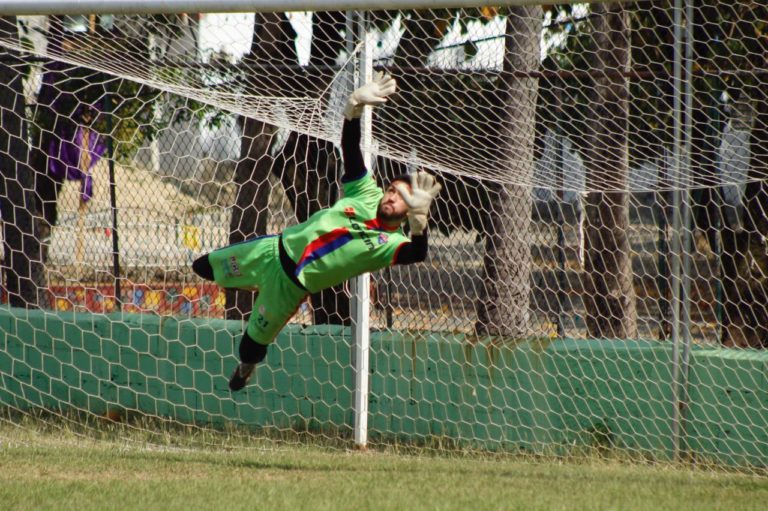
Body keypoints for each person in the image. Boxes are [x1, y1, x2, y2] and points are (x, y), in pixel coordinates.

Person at [192, 73, 442, 391]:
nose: (392, 196)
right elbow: (350, 148)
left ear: (409, 211)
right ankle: (249, 282)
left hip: (288, 288)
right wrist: (353, 107)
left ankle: (245, 368)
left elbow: (417, 253)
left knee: (252, 346)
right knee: (202, 266)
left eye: (403, 198)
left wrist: (421, 222)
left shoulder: (389, 243)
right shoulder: (365, 193)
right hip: (269, 252)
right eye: (392, 189)